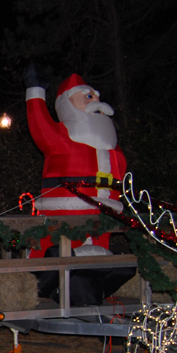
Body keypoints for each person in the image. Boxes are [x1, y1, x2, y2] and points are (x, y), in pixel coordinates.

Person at [24, 68, 127, 256]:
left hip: (104, 213)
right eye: (88, 96)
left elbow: (120, 167)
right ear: (67, 104)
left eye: (96, 96)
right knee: (59, 252)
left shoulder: (110, 143)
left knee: (100, 253)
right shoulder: (61, 136)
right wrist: (35, 91)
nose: (96, 101)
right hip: (66, 212)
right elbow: (38, 124)